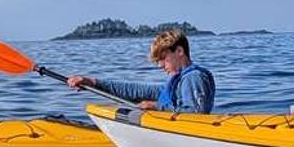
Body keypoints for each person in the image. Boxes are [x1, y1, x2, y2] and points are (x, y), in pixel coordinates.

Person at [65, 28, 215, 113]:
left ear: (180, 51)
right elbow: (138, 91)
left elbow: (196, 113)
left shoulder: (194, 78)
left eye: (163, 58)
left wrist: (156, 106)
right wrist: (93, 82)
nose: (160, 65)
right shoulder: (178, 80)